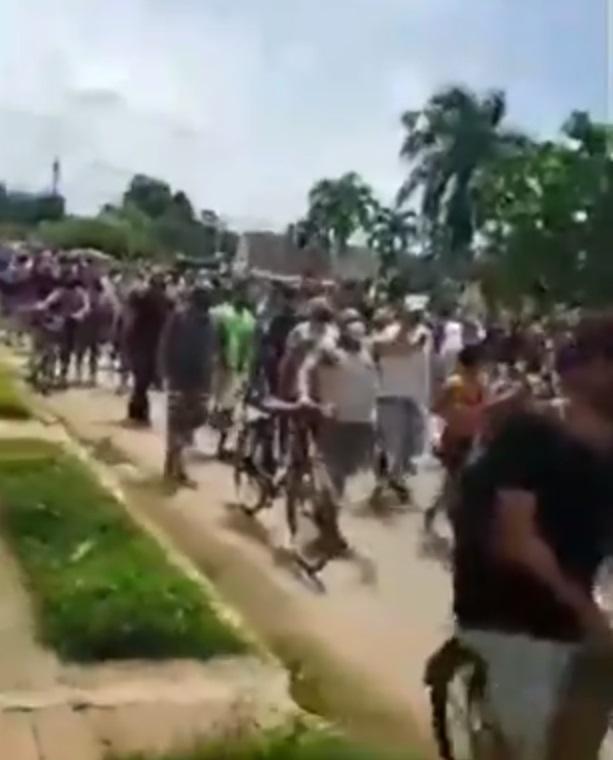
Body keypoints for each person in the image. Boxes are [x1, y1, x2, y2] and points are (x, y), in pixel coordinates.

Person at [452, 312, 613, 759]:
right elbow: (516, 540)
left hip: (578, 623)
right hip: (515, 618)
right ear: (597, 365)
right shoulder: (534, 433)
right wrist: (589, 614)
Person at [297, 317, 377, 553]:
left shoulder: (367, 350)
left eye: (360, 330)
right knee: (331, 480)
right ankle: (330, 531)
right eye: (352, 329)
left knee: (343, 480)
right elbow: (306, 369)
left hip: (362, 425)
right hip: (335, 422)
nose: (357, 335)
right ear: (342, 332)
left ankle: (323, 515)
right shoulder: (329, 351)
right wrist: (304, 395)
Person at [373, 298, 432, 502]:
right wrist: (404, 327)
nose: (416, 316)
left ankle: (392, 479)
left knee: (413, 447)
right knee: (394, 446)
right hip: (390, 396)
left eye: (418, 313)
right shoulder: (386, 333)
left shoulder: (424, 334)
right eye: (412, 313)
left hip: (414, 397)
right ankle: (389, 481)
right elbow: (396, 348)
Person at [159, 283, 217, 486]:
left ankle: (174, 461)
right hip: (180, 379)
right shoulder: (178, 318)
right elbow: (166, 344)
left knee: (194, 420)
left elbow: (211, 351)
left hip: (199, 381)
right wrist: (165, 372)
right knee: (178, 423)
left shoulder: (210, 322)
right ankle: (176, 468)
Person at [125, 273, 171, 426]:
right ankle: (140, 412)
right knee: (145, 380)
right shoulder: (166, 301)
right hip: (156, 345)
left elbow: (131, 314)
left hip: (143, 343)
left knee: (141, 381)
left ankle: (138, 412)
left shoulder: (143, 299)